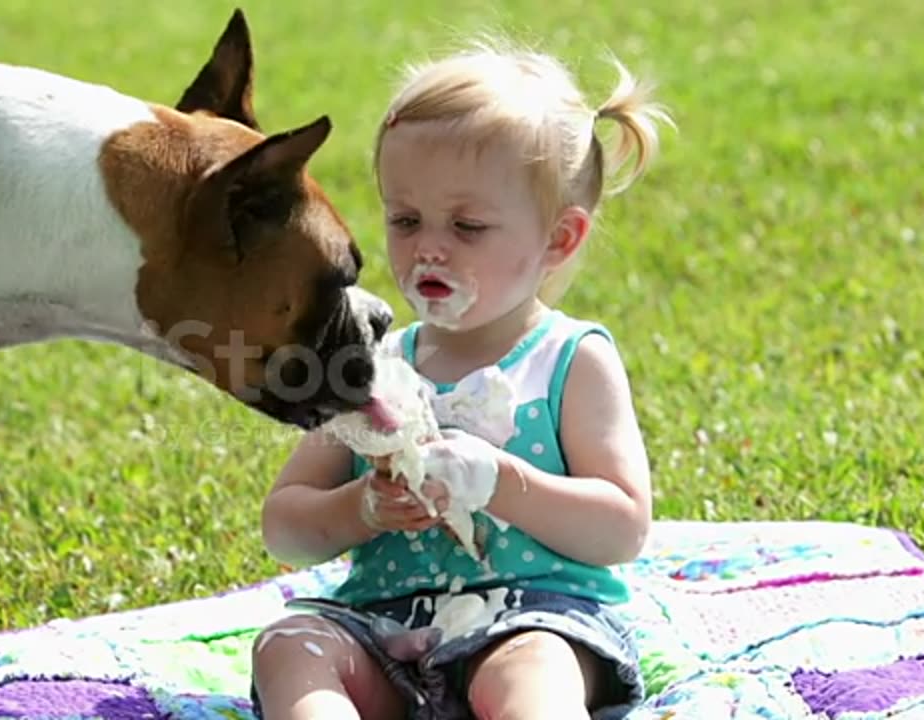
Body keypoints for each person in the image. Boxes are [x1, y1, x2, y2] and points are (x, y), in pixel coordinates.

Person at [249, 33, 673, 720]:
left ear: (559, 239)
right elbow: (285, 525)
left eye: (469, 225)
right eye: (405, 219)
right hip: (385, 629)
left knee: (533, 670)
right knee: (288, 643)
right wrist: (359, 508)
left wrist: (504, 482)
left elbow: (620, 528)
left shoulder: (570, 360)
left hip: (534, 618)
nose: (429, 247)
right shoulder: (375, 366)